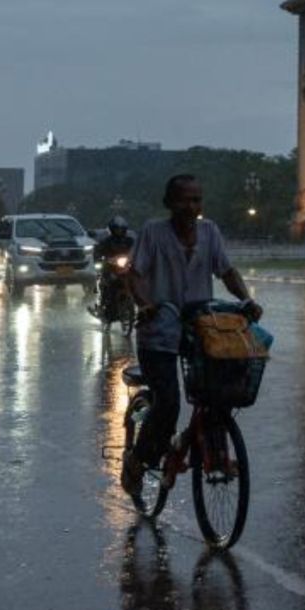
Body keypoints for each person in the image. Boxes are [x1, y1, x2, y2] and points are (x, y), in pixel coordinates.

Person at [121, 175, 261, 498]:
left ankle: (209, 451)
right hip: (158, 332)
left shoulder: (209, 232)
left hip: (200, 331)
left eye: (197, 200)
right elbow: (134, 276)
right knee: (168, 403)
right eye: (185, 200)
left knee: (218, 395)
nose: (191, 207)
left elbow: (226, 272)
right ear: (169, 203)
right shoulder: (153, 234)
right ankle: (138, 460)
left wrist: (246, 301)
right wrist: (146, 304)